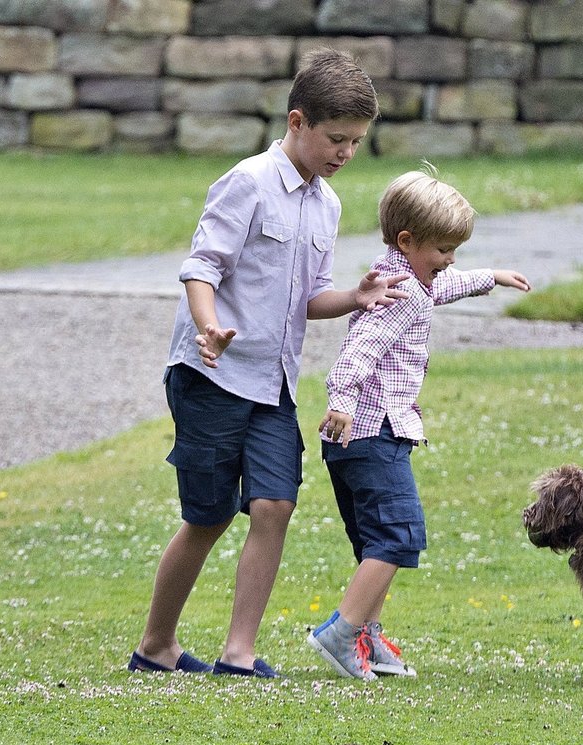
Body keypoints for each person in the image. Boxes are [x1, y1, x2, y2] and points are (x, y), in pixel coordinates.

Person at [128, 49, 407, 679]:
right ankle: (156, 645)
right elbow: (202, 268)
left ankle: (239, 653)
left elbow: (309, 298)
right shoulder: (248, 182)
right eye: (336, 138)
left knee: (275, 505)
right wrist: (209, 327)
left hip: (273, 381)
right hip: (211, 374)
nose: (345, 153)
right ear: (297, 121)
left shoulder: (327, 205)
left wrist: (357, 299)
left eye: (357, 142)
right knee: (207, 515)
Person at [308, 168, 531, 680]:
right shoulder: (400, 294)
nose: (450, 259)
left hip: (359, 437)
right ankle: (340, 634)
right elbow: (357, 353)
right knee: (399, 535)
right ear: (407, 241)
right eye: (443, 248)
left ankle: (364, 638)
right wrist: (341, 400)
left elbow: (444, 285)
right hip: (371, 432)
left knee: (376, 541)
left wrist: (488, 277)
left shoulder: (407, 278)